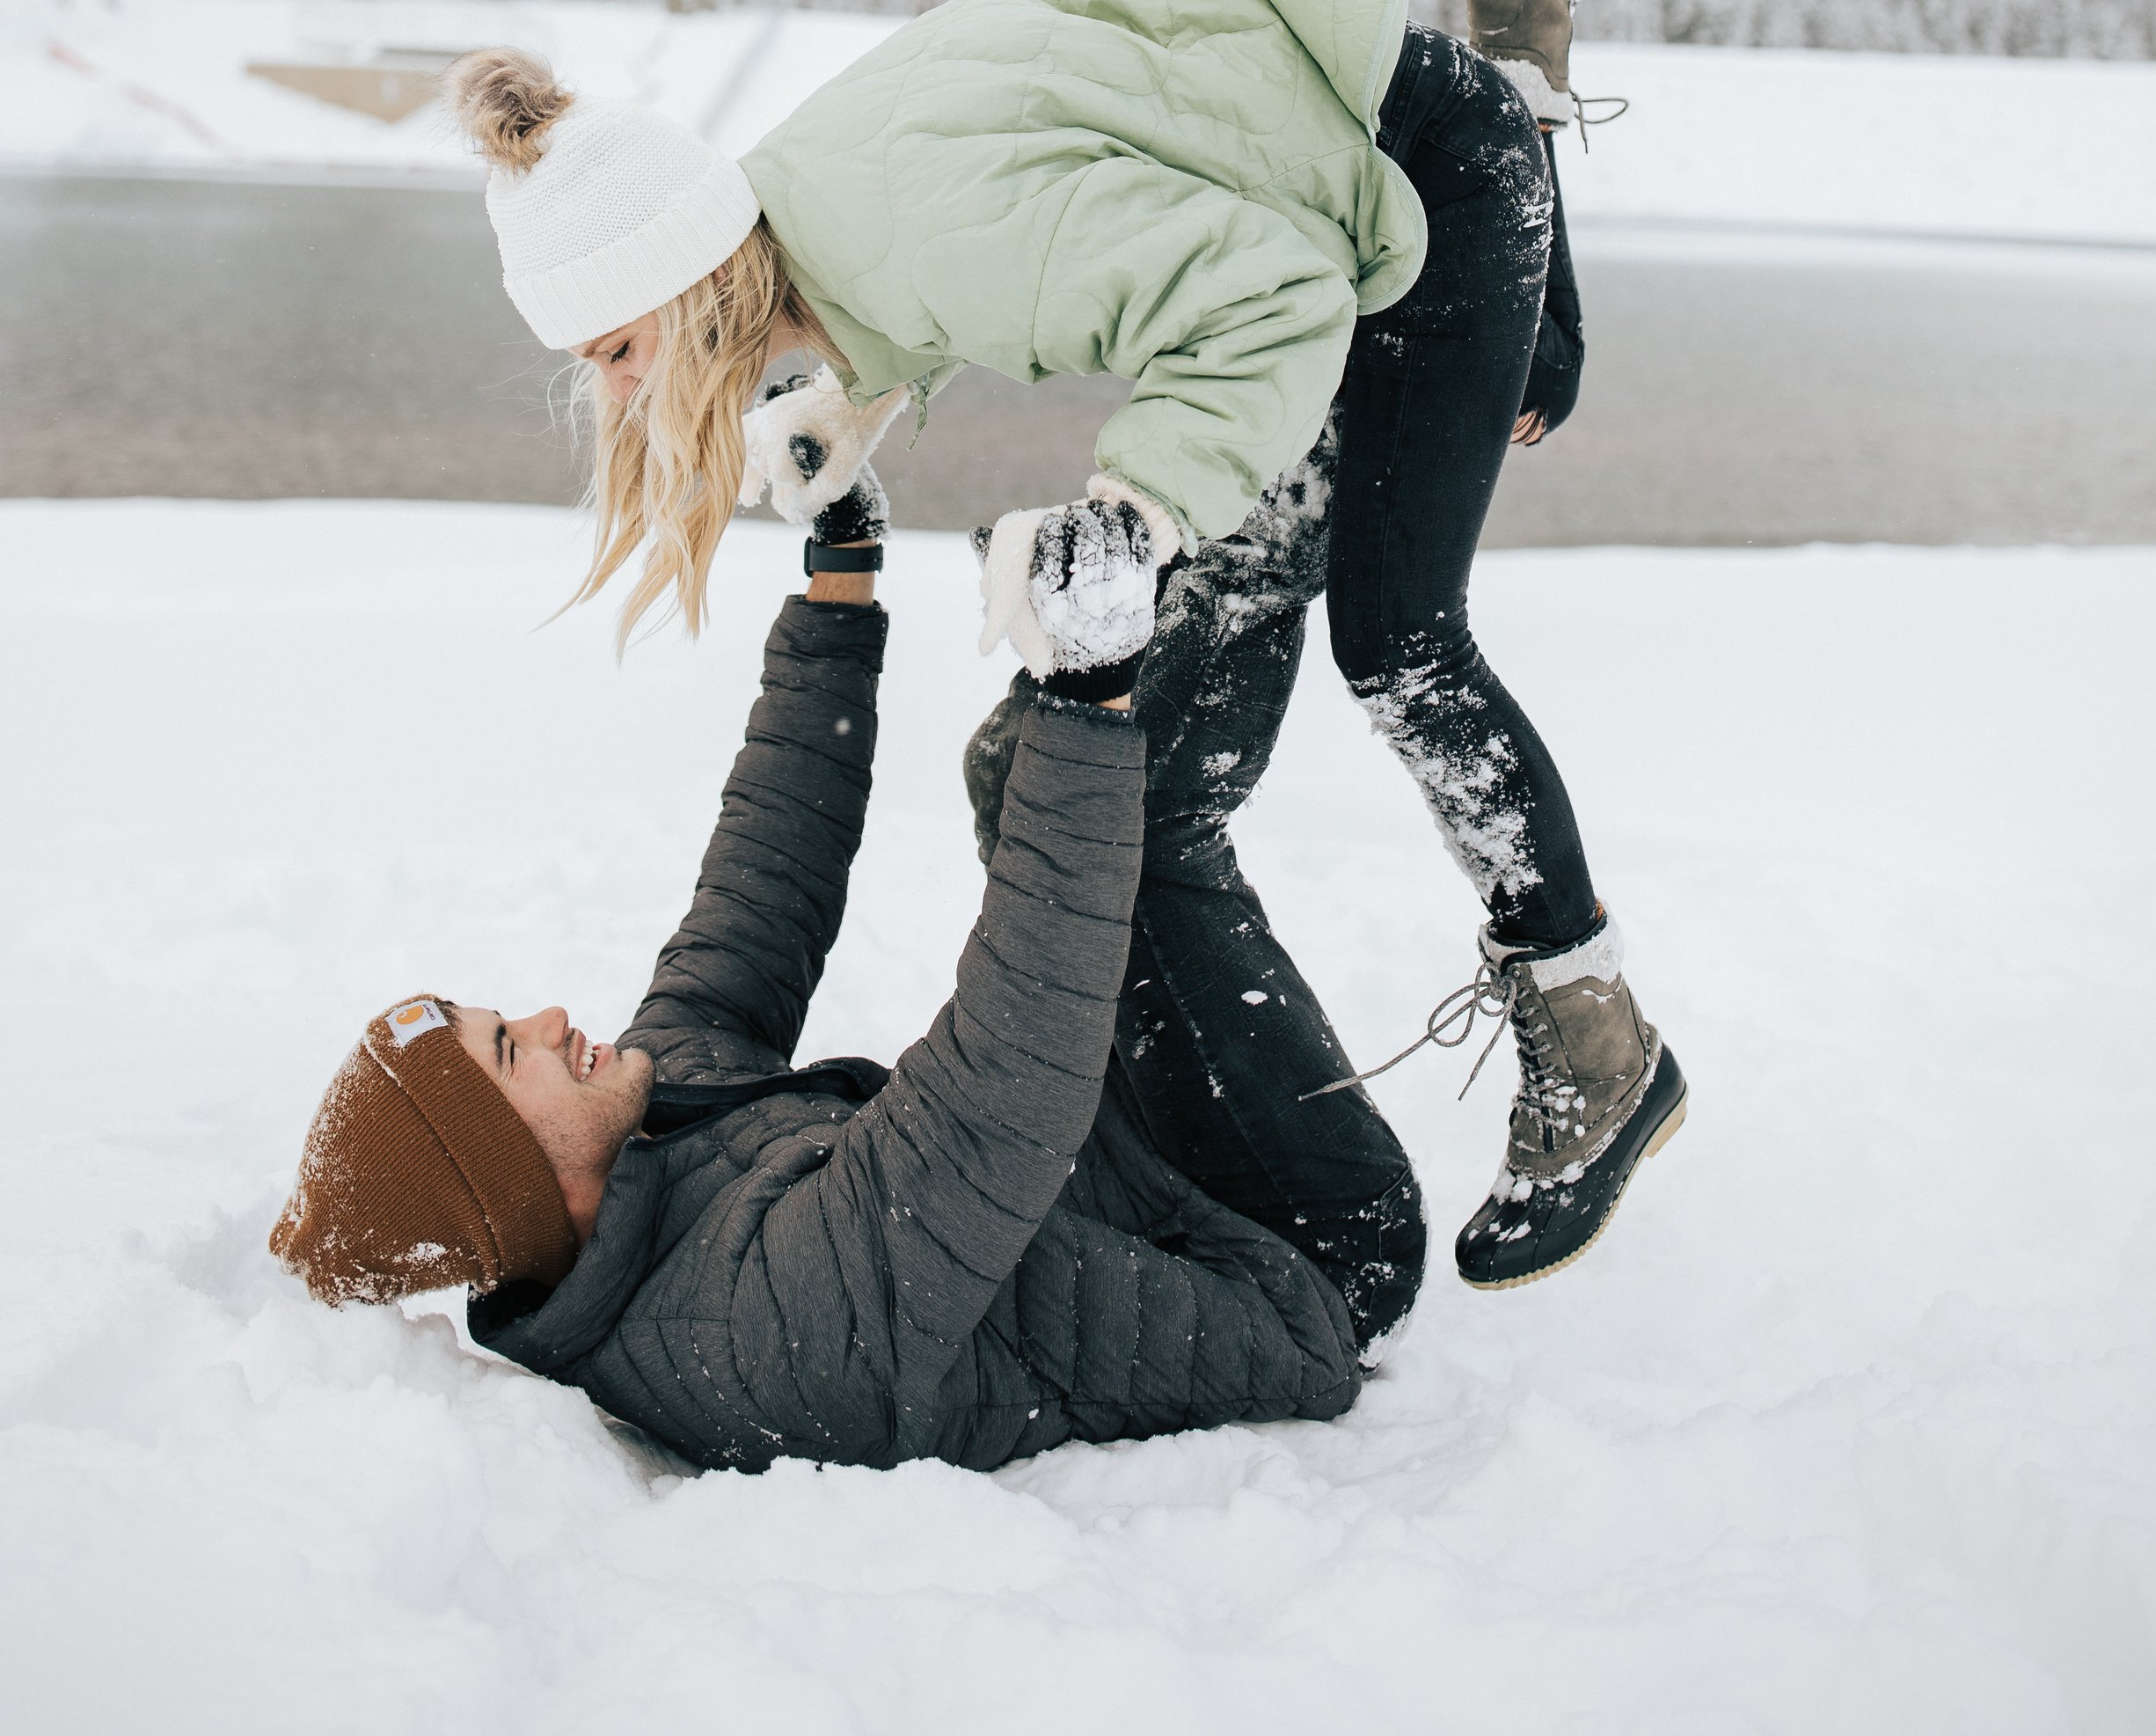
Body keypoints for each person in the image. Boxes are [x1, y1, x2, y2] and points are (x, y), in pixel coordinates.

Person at [450, 0, 1685, 1289]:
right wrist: (855, 394)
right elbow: (991, 201)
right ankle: (1519, 45)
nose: (620, 399)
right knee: (1522, 389)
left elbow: (1266, 303)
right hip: (1322, 149)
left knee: (1398, 639)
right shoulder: (791, 197)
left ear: (683, 273)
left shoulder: (927, 229)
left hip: (1400, 207)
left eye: (615, 352)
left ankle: (1596, 1035)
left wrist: (1136, 513)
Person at [269, 474, 1422, 1473]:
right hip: (1286, 1254)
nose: (549, 1013)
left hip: (1140, 1168)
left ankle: (1235, 494)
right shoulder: (755, 1333)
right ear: (511, 1183)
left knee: (1015, 764)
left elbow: (759, 881)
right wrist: (1087, 690)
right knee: (1137, 806)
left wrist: (841, 568)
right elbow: (996, 1092)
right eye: (507, 1047)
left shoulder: (644, 1132)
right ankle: (1286, 499)